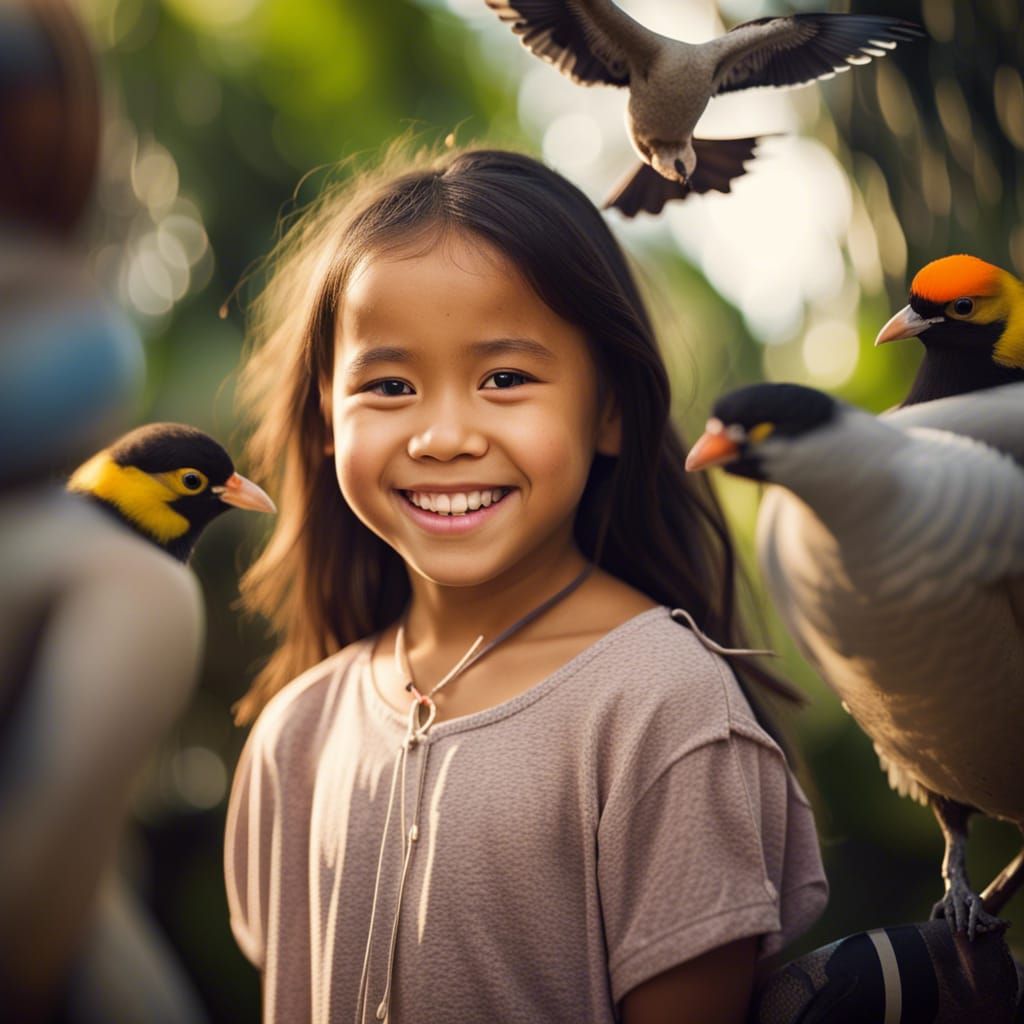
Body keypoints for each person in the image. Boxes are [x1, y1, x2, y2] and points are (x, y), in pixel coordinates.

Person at [223, 145, 828, 1023]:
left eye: (504, 379)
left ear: (610, 408)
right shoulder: (296, 734)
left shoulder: (664, 708)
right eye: (390, 385)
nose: (443, 435)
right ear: (326, 416)